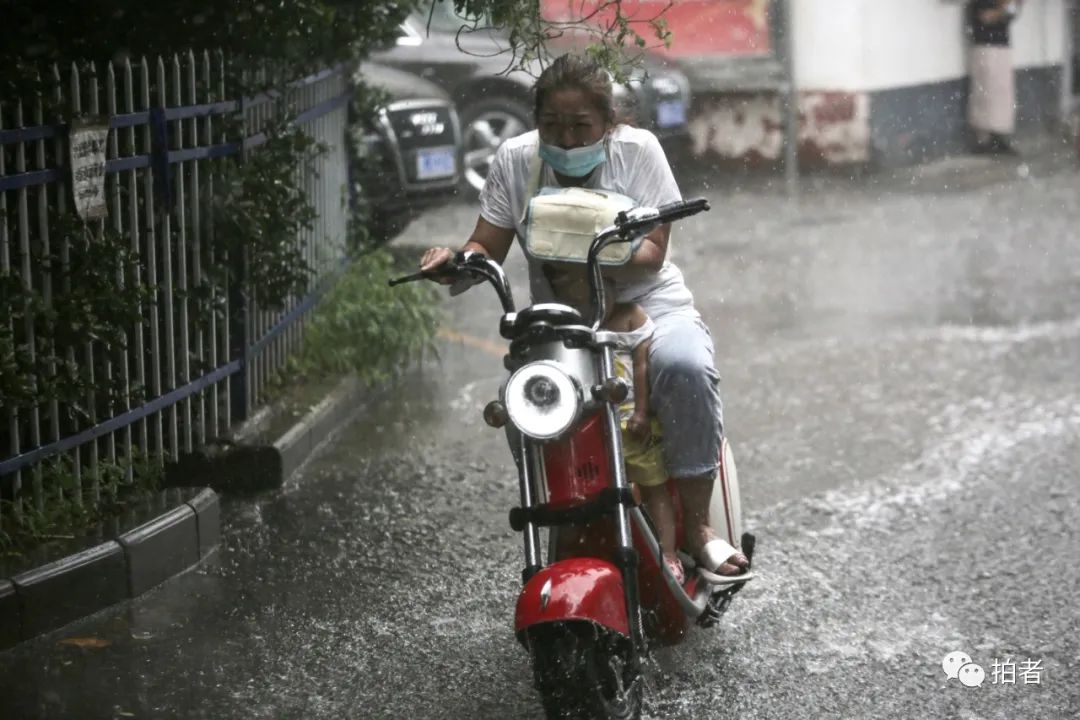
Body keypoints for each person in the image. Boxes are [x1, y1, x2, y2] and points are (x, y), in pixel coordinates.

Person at [419, 53, 748, 576]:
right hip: (561, 319)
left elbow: (654, 249)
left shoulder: (638, 151)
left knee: (685, 368)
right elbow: (485, 244)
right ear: (537, 122)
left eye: (580, 127)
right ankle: (564, 524)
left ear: (607, 123)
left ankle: (698, 528)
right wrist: (454, 262)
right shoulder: (515, 160)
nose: (567, 140)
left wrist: (588, 247)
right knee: (532, 405)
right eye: (553, 126)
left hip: (648, 305)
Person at [544, 264, 685, 583]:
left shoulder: (630, 316)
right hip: (595, 431)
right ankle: (577, 558)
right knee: (584, 494)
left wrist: (641, 413)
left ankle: (670, 554)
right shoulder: (577, 329)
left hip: (631, 424)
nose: (594, 304)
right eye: (583, 299)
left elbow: (642, 364)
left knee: (654, 487)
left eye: (599, 294)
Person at [966, 0, 1020, 155]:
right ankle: (983, 140)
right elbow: (986, 17)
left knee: (1002, 93)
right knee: (985, 93)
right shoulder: (981, 2)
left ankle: (1000, 137)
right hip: (985, 47)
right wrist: (1004, 8)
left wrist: (1014, 5)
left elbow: (1010, 16)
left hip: (1002, 46)